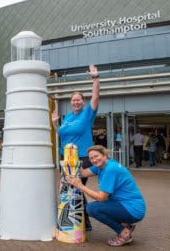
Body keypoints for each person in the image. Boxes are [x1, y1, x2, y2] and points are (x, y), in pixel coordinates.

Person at [67, 145, 146, 246]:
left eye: (96, 156)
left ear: (105, 155)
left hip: (133, 209)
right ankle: (126, 225)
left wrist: (80, 186)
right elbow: (83, 173)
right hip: (127, 205)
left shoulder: (109, 169)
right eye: (91, 158)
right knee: (89, 207)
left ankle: (124, 232)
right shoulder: (101, 166)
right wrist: (73, 157)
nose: (94, 160)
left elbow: (101, 197)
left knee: (92, 209)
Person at [52, 64, 100, 231]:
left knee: (75, 187)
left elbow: (95, 98)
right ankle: (82, 222)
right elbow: (62, 134)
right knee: (72, 188)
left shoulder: (87, 114)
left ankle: (81, 222)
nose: (76, 101)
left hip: (81, 158)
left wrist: (95, 78)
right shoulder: (68, 118)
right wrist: (55, 123)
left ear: (82, 101)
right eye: (73, 99)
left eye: (78, 99)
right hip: (66, 159)